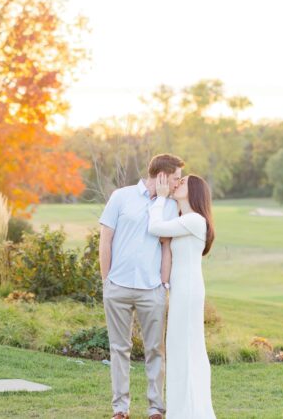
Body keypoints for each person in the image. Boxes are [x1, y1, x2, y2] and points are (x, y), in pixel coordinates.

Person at [99, 153, 183, 419]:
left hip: (151, 290)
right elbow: (105, 240)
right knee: (119, 348)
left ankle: (156, 407)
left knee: (155, 350)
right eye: (176, 178)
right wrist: (106, 281)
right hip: (118, 286)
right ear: (161, 176)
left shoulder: (170, 206)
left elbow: (167, 247)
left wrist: (163, 284)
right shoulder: (120, 197)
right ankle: (120, 408)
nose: (178, 184)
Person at [148, 173, 217, 419]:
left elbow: (154, 227)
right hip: (181, 291)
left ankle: (192, 411)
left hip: (188, 292)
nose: (178, 183)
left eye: (183, 182)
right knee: (179, 349)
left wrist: (161, 199)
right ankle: (181, 410)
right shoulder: (183, 219)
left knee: (187, 349)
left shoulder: (195, 220)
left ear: (195, 192)